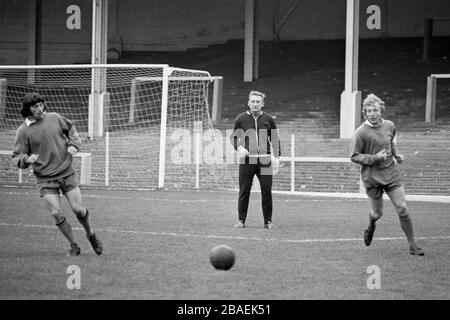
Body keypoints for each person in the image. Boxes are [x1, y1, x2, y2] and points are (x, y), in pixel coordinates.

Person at [12, 92, 103, 256]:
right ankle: (74, 245)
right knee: (56, 213)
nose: (40, 108)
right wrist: (26, 159)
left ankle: (91, 234)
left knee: (78, 210)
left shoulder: (55, 117)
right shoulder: (23, 131)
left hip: (66, 172)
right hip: (45, 179)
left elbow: (72, 131)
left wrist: (74, 145)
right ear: (27, 109)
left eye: (41, 104)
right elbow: (16, 157)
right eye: (35, 106)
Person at [350, 93, 424, 256]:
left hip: (391, 173)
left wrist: (397, 154)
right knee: (377, 213)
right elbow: (354, 156)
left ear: (381, 111)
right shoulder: (361, 132)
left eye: (375, 110)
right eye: (368, 111)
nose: (372, 114)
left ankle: (413, 246)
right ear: (365, 113)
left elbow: (392, 142)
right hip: (372, 177)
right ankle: (371, 226)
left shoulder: (390, 125)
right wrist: (374, 158)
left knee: (402, 208)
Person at [230, 90, 281, 229]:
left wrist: (276, 157)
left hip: (265, 160)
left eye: (258, 102)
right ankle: (241, 220)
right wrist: (240, 148)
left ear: (262, 104)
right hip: (247, 160)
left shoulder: (269, 119)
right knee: (244, 190)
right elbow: (234, 138)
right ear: (248, 103)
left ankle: (268, 222)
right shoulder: (240, 119)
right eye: (252, 101)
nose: (255, 104)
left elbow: (275, 139)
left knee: (266, 191)